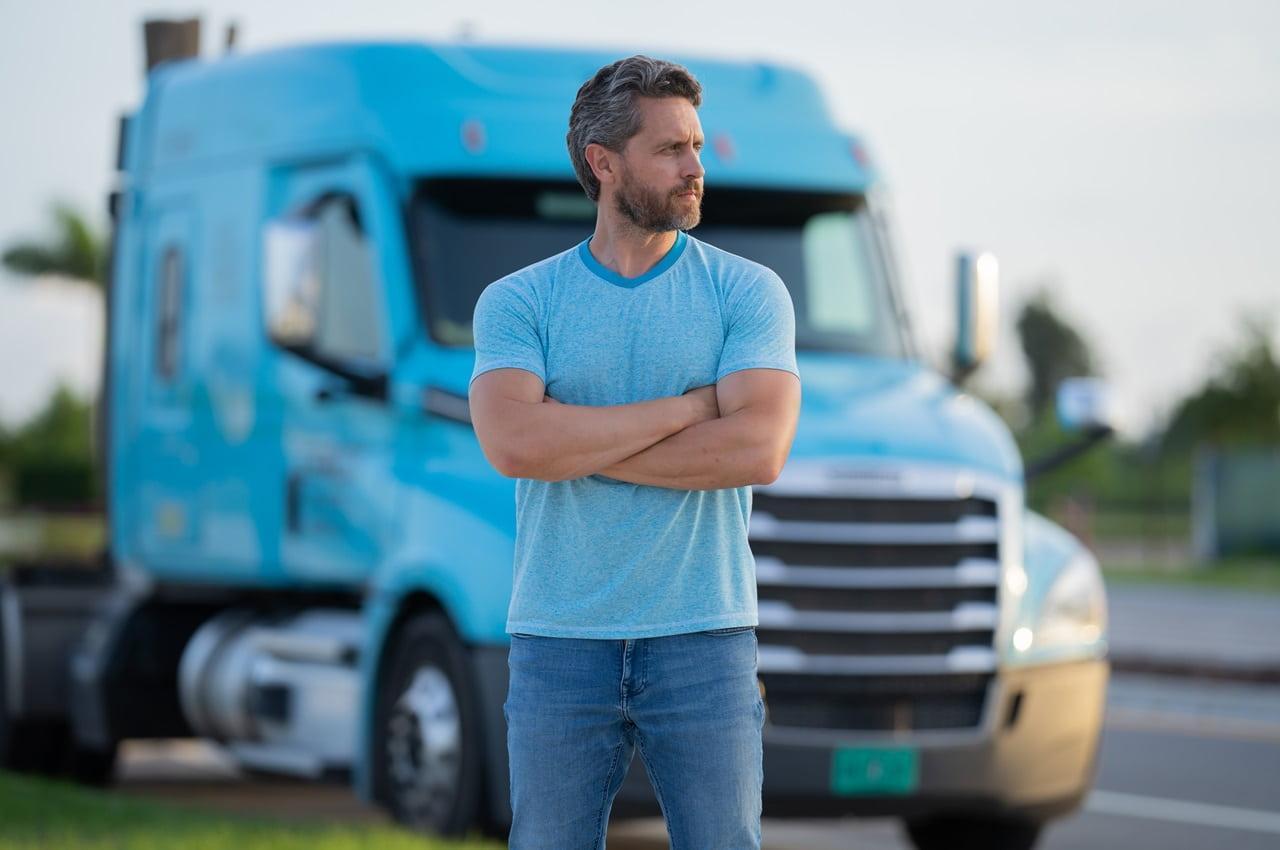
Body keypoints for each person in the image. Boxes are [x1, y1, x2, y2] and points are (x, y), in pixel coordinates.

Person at [468, 53, 802, 850]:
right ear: (603, 162)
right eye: (671, 150)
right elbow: (514, 443)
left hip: (706, 639)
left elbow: (755, 450)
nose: (696, 169)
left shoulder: (748, 293)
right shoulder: (519, 302)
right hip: (559, 642)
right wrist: (689, 409)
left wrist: (571, 439)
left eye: (697, 146)